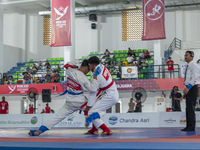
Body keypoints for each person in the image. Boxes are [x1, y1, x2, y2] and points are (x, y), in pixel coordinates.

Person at [28, 59, 99, 136]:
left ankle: (40, 130)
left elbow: (68, 64)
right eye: (87, 71)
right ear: (86, 68)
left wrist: (78, 65)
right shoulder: (82, 76)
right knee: (94, 112)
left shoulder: (69, 69)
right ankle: (97, 130)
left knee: (57, 118)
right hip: (80, 101)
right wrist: (95, 76)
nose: (87, 73)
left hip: (69, 102)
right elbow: (93, 89)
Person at [84, 56, 119, 135]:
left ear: (93, 65)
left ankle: (106, 130)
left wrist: (86, 110)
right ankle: (94, 129)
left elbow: (93, 94)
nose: (88, 67)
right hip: (112, 92)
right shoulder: (101, 66)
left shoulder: (95, 77)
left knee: (91, 112)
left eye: (89, 65)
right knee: (97, 110)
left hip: (109, 95)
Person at [182, 51, 200, 131]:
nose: (185, 56)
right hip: (189, 88)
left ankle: (191, 126)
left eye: (187, 55)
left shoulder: (194, 65)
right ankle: (188, 125)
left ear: (192, 57)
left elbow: (195, 77)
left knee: (191, 107)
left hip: (192, 87)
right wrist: (186, 91)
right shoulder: (188, 66)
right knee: (188, 108)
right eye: (185, 55)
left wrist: (188, 87)